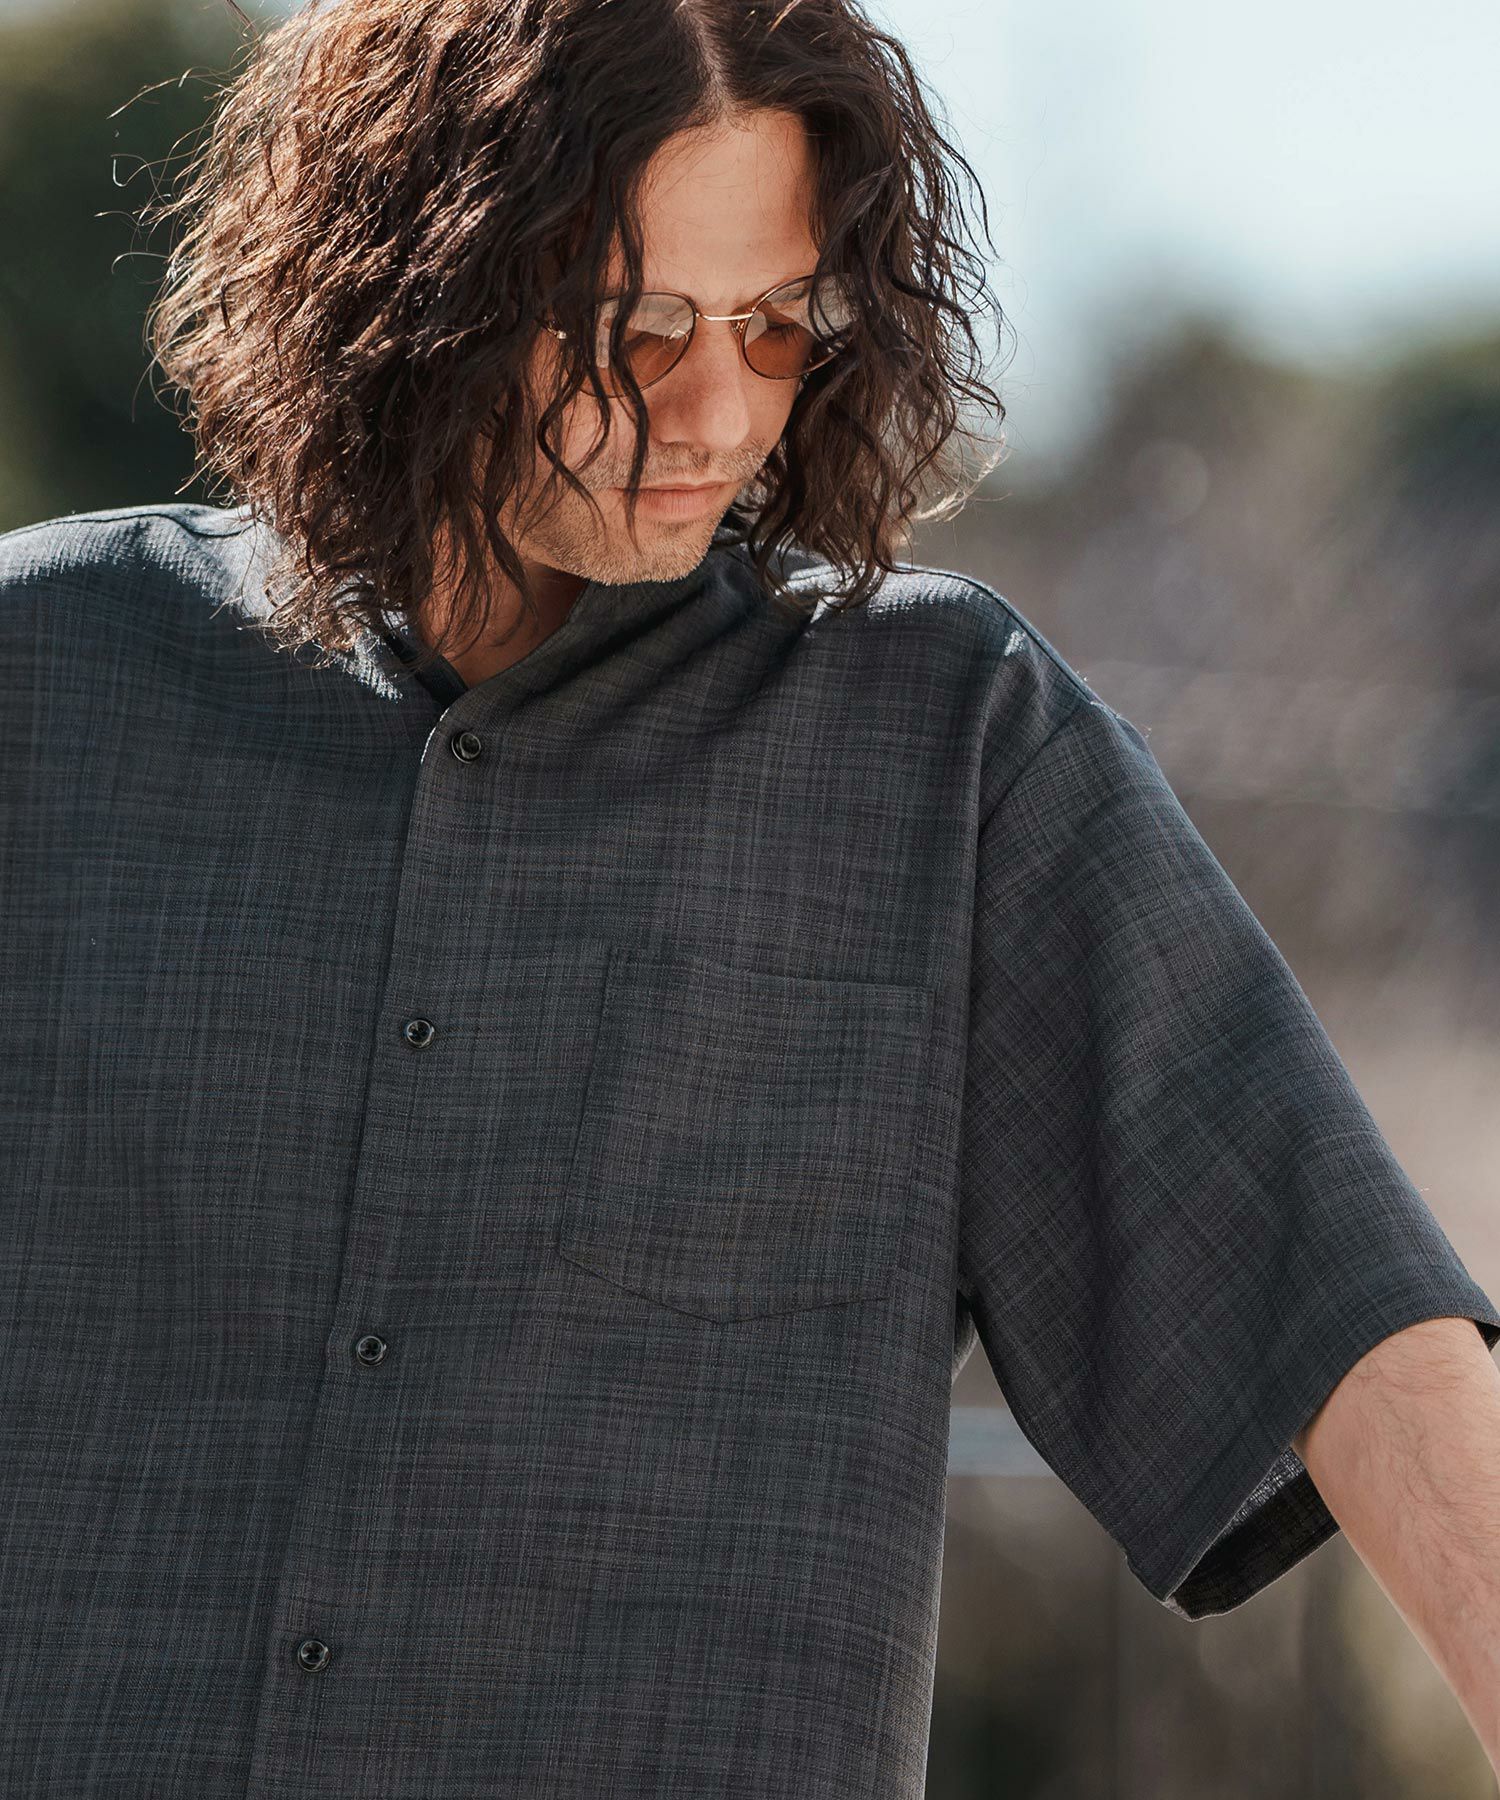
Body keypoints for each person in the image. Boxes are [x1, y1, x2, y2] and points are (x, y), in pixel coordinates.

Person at [3, 0, 1498, 1795]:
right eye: (637, 331)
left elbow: (1342, 1322)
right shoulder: (47, 681)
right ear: (418, 288)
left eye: (779, 324)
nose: (718, 412)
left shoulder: (947, 743)